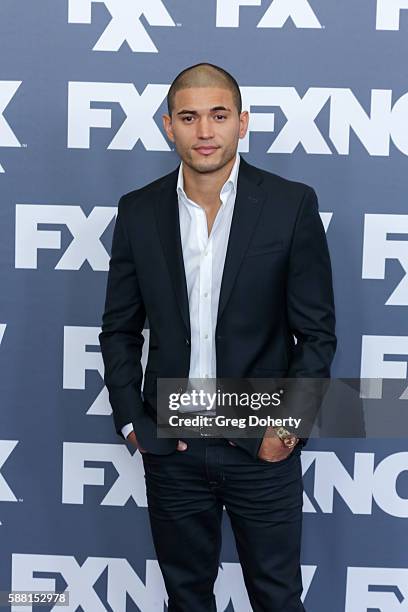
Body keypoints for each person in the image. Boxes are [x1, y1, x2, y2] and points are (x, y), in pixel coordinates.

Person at [99, 62, 336, 612]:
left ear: (242, 122)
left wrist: (288, 429)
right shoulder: (138, 210)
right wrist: (135, 423)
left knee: (278, 600)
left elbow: (317, 333)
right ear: (168, 127)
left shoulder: (290, 204)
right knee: (186, 599)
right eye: (189, 117)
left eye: (218, 115)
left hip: (261, 442)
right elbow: (119, 329)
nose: (204, 131)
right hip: (172, 445)